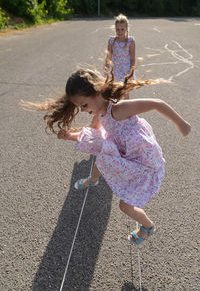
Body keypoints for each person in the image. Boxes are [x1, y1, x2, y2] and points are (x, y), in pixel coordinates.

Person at [21, 68, 191, 245]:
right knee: (103, 153)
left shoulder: (119, 109)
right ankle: (93, 179)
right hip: (126, 153)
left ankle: (148, 227)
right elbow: (93, 135)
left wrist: (181, 123)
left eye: (84, 105)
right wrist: (69, 135)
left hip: (144, 162)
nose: (83, 110)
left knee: (124, 205)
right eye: (80, 107)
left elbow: (157, 103)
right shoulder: (100, 113)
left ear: (98, 92)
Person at [105, 13, 136, 99]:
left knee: (125, 92)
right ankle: (115, 110)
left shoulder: (131, 41)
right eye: (117, 29)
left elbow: (133, 59)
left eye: (122, 29)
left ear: (126, 29)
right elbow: (109, 56)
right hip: (115, 70)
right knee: (114, 92)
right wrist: (106, 67)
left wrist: (131, 72)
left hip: (126, 71)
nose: (120, 32)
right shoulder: (111, 41)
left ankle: (127, 110)